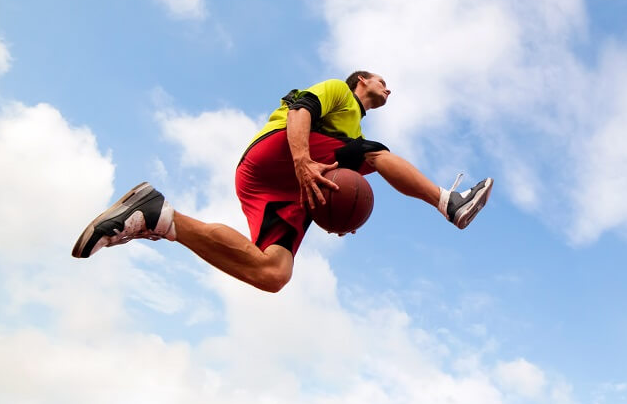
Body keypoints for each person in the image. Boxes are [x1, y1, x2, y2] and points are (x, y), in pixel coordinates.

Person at [71, 72, 493, 293]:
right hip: (279, 155)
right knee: (374, 154)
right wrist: (303, 160)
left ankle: (158, 216)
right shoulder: (338, 93)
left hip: (277, 186)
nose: (388, 87)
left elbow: (339, 180)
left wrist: (335, 213)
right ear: (361, 80)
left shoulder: (349, 132)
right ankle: (448, 201)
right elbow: (298, 108)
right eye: (382, 80)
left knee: (273, 273)